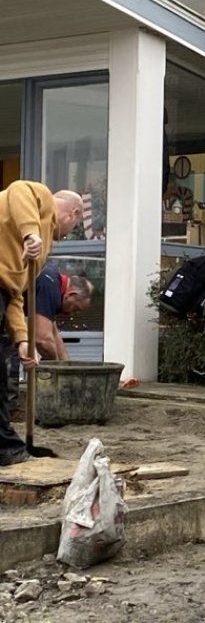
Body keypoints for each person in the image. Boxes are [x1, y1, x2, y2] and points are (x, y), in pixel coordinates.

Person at [0, 181, 83, 466]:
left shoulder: (42, 249)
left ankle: (6, 447)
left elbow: (14, 292)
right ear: (73, 213)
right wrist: (30, 235)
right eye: (74, 225)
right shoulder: (41, 201)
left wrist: (22, 339)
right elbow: (18, 189)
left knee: (1, 373)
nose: (68, 234)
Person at [33, 264, 94, 361]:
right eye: (75, 309)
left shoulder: (54, 281)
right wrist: (57, 367)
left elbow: (54, 333)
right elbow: (43, 339)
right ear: (71, 294)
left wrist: (66, 367)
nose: (71, 314)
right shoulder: (50, 285)